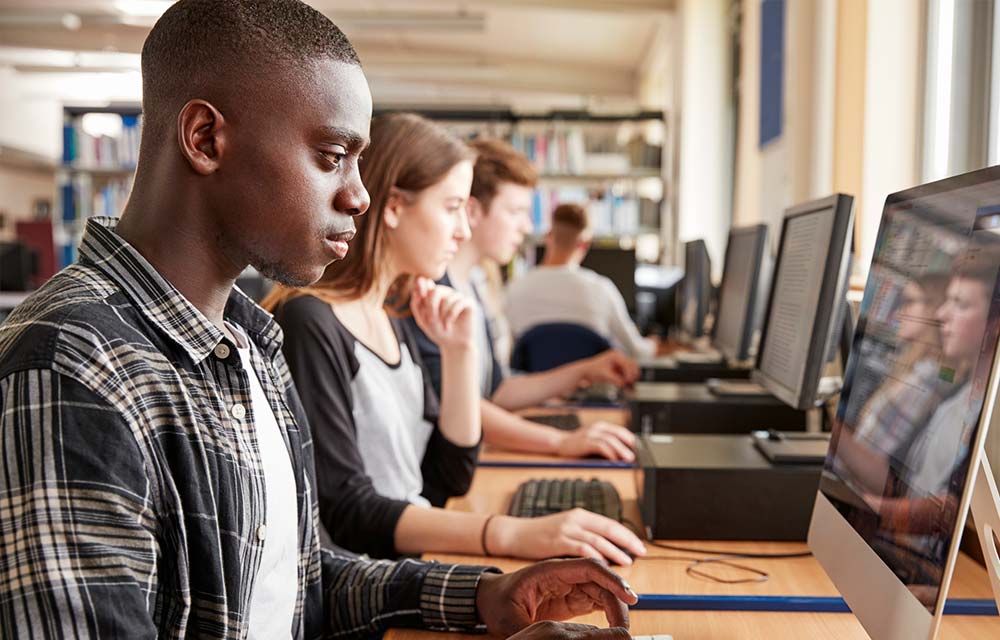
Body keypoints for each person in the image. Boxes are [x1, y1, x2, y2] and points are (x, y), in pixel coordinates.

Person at [0, 2, 638, 638]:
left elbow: (296, 581)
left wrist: (487, 597)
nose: (359, 195)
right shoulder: (71, 366)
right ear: (204, 140)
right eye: (332, 155)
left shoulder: (251, 344)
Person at [263, 113, 647, 567]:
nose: (462, 231)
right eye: (451, 209)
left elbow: (448, 478)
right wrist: (507, 534)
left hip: (409, 565)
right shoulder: (312, 322)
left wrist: (460, 352)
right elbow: (348, 512)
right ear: (394, 208)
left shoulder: (394, 314)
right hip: (364, 589)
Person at [408, 138, 640, 462]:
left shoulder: (473, 284)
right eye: (516, 212)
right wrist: (561, 442)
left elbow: (497, 393)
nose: (527, 227)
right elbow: (459, 404)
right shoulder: (429, 293)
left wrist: (585, 369)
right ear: (473, 210)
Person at [505, 203, 657, 360]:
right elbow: (637, 351)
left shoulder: (514, 289)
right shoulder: (602, 290)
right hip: (590, 383)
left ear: (548, 236)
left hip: (530, 383)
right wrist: (654, 344)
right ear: (585, 244)